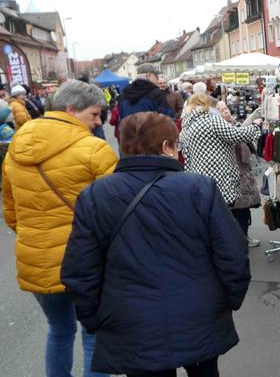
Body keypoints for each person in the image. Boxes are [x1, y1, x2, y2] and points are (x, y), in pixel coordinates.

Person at [61, 112, 250, 377]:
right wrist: (227, 301)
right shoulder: (198, 188)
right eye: (175, 144)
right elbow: (233, 253)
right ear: (165, 147)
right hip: (197, 312)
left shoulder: (96, 195)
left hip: (131, 319)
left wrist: (96, 319)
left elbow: (80, 269)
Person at [2, 79, 117, 377]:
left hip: (36, 260)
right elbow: (116, 211)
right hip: (87, 261)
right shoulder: (94, 149)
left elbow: (10, 209)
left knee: (59, 330)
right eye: (93, 114)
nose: (97, 122)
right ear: (71, 109)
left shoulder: (17, 143)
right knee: (94, 333)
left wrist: (36, 236)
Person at [180, 94, 261, 246]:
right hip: (219, 175)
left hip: (197, 178)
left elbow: (185, 152)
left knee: (209, 215)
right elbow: (236, 135)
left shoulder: (187, 125)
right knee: (224, 214)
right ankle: (229, 245)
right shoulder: (211, 120)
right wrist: (256, 126)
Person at [216, 100, 262, 246]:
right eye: (222, 110)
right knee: (238, 210)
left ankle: (243, 236)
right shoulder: (223, 131)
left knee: (243, 209)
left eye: (226, 108)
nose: (227, 111)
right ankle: (240, 238)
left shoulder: (233, 126)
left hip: (243, 173)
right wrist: (254, 121)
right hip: (234, 175)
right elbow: (241, 134)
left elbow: (242, 132)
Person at [116, 64, 174, 133]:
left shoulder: (124, 94)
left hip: (130, 139)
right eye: (156, 76)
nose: (158, 79)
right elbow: (168, 118)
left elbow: (120, 122)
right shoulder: (156, 93)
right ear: (149, 75)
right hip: (152, 139)